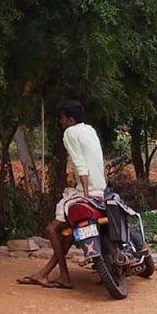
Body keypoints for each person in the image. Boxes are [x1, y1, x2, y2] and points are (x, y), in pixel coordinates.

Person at [17, 100, 106, 290]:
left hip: (86, 191)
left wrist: (85, 193)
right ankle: (44, 273)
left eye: (62, 118)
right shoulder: (89, 130)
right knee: (69, 233)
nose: (60, 121)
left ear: (70, 119)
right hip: (102, 189)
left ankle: (64, 276)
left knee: (52, 230)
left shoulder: (70, 133)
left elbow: (80, 163)